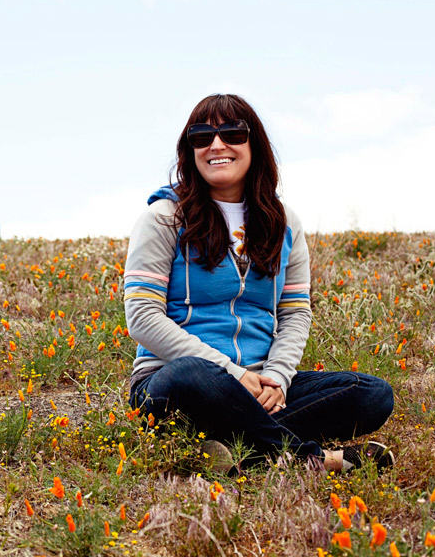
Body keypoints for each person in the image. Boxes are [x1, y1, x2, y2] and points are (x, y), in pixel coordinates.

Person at [124, 93, 394, 473]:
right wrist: (234, 376)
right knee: (190, 375)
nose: (217, 144)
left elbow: (295, 311)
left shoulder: (284, 224)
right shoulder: (163, 218)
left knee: (373, 395)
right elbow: (142, 317)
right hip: (176, 383)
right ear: (190, 150)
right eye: (202, 136)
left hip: (263, 384)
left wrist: (278, 379)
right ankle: (313, 459)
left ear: (255, 145)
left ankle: (234, 447)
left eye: (232, 132)